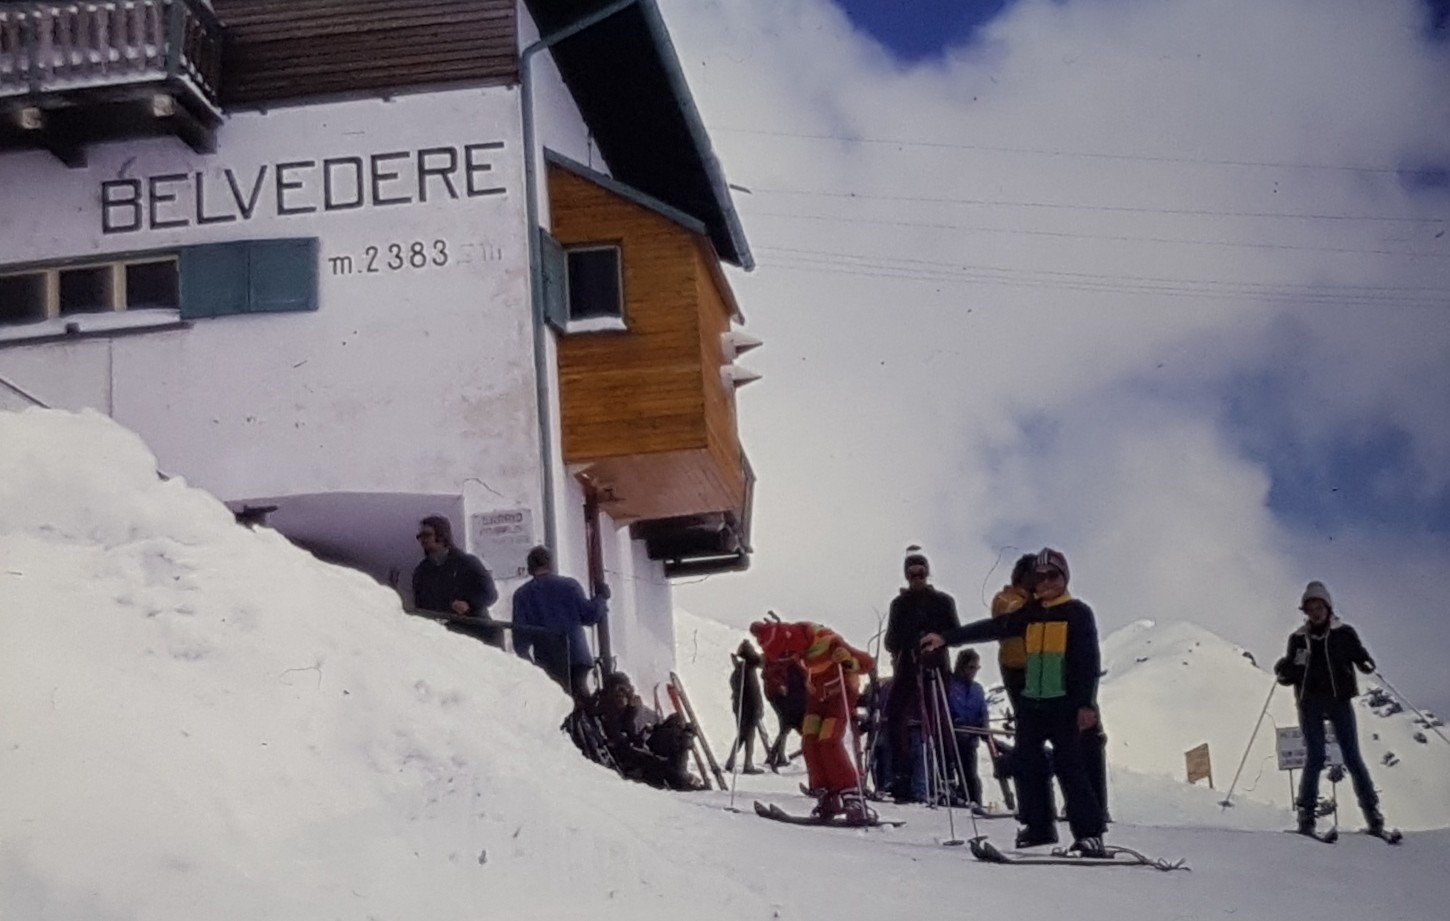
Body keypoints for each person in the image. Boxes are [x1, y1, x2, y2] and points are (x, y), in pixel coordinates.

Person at [921, 547, 1106, 857]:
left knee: (1071, 767)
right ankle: (1038, 827)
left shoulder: (1077, 612)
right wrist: (947, 638)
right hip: (1033, 702)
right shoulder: (1030, 613)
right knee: (1027, 764)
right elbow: (994, 628)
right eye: (1038, 578)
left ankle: (1090, 834)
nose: (1044, 583)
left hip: (1065, 704)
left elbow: (1089, 661)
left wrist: (1087, 704)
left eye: (1052, 576)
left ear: (1065, 577)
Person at [1273, 580, 1386, 836]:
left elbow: (1359, 655)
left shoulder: (1343, 634)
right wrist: (1285, 669)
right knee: (1316, 757)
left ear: (1328, 608)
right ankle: (1307, 818)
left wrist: (1365, 661)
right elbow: (1291, 673)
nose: (1315, 613)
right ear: (1306, 611)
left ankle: (1373, 817)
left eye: (1319, 607)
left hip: (1338, 700)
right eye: (1310, 608)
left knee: (1352, 757)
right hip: (1310, 702)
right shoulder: (1298, 639)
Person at [751, 617, 875, 822]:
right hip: (817, 699)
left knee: (828, 740)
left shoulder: (828, 641)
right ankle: (826, 794)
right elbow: (775, 665)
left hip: (840, 695)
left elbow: (867, 662)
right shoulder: (797, 649)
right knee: (809, 742)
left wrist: (848, 660)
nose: (788, 657)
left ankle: (853, 795)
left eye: (787, 653)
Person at [882, 545, 960, 802]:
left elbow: (955, 634)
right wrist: (909, 642)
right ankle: (901, 776)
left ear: (927, 573)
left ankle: (947, 776)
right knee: (895, 715)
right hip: (907, 666)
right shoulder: (899, 604)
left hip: (936, 666)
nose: (916, 578)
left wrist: (936, 638)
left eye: (920, 573)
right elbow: (890, 641)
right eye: (912, 574)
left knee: (939, 720)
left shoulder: (943, 601)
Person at [511, 544, 609, 698]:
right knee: (580, 697)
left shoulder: (522, 595)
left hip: (547, 659)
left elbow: (520, 638)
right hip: (576, 654)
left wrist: (529, 664)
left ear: (530, 568)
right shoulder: (569, 585)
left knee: (556, 701)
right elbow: (590, 615)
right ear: (551, 564)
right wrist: (601, 598)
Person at [411, 514, 501, 647]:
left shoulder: (467, 563)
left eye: (427, 535)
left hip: (474, 632)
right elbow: (420, 604)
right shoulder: (422, 571)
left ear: (442, 535)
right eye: (420, 536)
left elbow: (490, 594)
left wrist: (469, 604)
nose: (423, 540)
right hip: (441, 638)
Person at [947, 648, 989, 808]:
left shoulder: (977, 689)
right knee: (954, 770)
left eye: (976, 668)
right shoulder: (950, 686)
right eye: (971, 667)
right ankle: (958, 798)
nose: (973, 672)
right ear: (961, 666)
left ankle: (975, 801)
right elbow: (947, 709)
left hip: (971, 737)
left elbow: (983, 711)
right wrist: (955, 721)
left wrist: (984, 726)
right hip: (953, 736)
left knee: (970, 773)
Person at [762, 639, 808, 770]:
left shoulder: (791, 659)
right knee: (788, 725)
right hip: (787, 699)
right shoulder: (783, 659)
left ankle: (775, 755)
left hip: (792, 698)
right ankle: (777, 756)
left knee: (786, 726)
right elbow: (770, 674)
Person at [725, 639, 766, 774]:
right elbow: (754, 693)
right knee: (748, 735)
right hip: (748, 708)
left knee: (743, 735)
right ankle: (747, 764)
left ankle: (732, 761)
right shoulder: (747, 670)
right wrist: (758, 708)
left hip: (741, 707)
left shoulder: (740, 669)